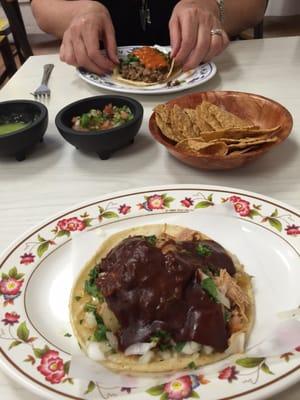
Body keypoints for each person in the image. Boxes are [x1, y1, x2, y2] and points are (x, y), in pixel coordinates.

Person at [31, 0, 267, 75]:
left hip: (212, 71)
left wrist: (213, 7)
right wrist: (79, 12)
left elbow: (254, 5)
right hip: (98, 76)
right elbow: (43, 6)